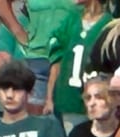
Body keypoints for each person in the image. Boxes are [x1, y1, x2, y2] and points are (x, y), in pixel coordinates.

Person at [47, 0, 114, 129]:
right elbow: (57, 62)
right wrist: (49, 98)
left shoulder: (109, 26)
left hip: (98, 104)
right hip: (68, 100)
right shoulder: (71, 20)